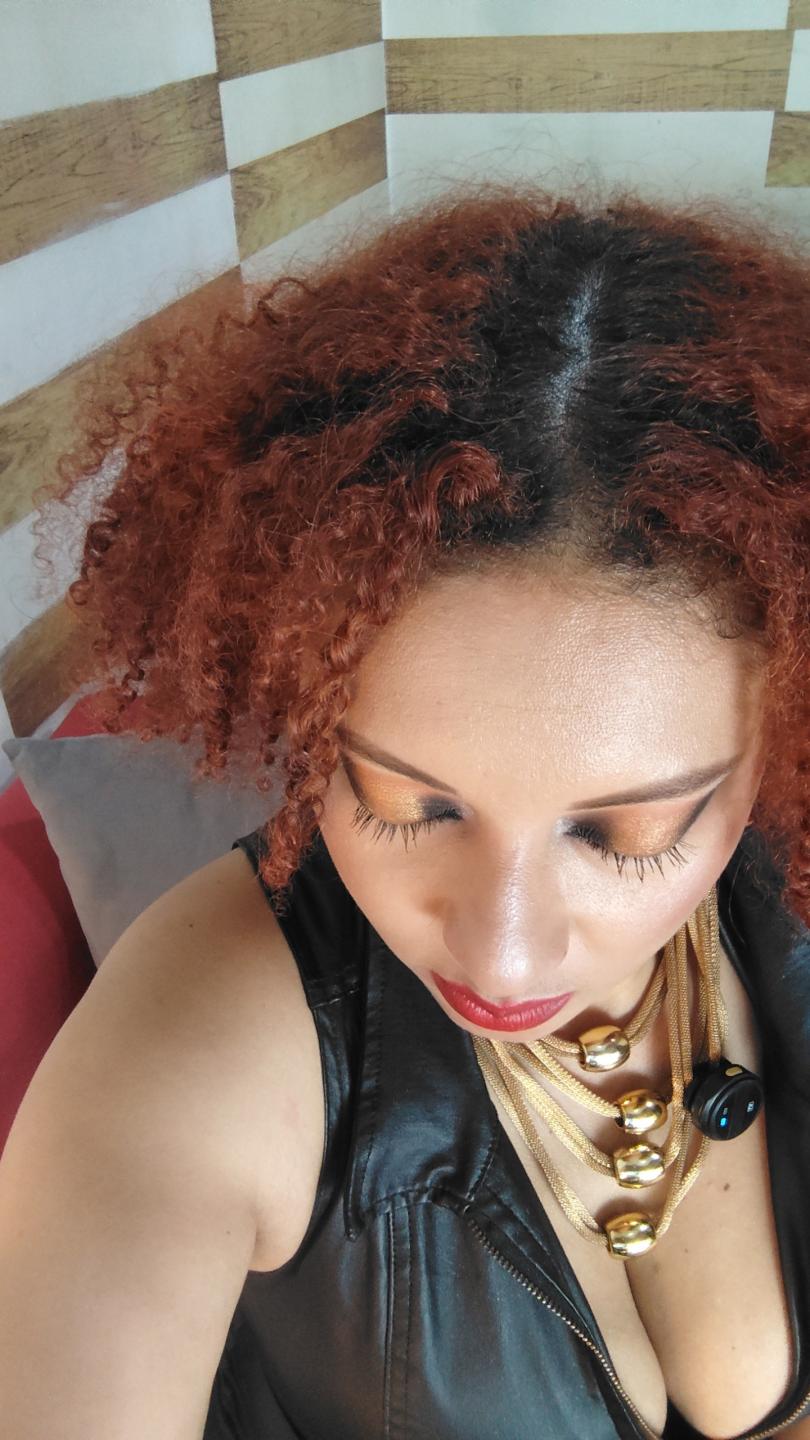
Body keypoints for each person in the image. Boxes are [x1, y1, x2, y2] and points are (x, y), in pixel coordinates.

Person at [1, 184, 809, 1440]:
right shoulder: (191, 1054)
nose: (503, 959)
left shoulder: (783, 885)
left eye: (624, 835)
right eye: (403, 803)